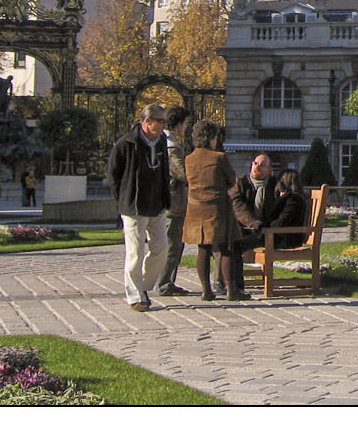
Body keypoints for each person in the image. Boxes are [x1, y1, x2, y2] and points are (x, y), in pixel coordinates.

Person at [105, 104, 173, 312]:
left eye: (164, 121)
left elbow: (164, 170)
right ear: (147, 122)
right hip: (134, 206)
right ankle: (136, 296)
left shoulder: (161, 141)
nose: (164, 125)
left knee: (161, 249)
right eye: (160, 121)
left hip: (157, 204)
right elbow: (112, 174)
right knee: (135, 252)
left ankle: (142, 286)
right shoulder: (126, 143)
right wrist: (123, 198)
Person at [182, 120, 251, 301]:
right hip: (217, 207)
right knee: (224, 247)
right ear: (212, 137)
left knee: (202, 248)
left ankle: (206, 290)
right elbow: (231, 180)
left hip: (196, 207)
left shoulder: (188, 159)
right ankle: (231, 289)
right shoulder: (219, 158)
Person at [154, 106, 193, 297]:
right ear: (178, 125)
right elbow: (182, 174)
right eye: (185, 123)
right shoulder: (171, 146)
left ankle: (167, 281)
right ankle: (164, 283)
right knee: (173, 245)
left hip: (173, 200)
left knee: (175, 244)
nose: (186, 127)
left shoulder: (168, 142)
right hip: (173, 201)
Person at [229, 152, 277, 295]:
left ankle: (237, 287)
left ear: (269, 170)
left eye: (262, 165)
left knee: (236, 246)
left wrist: (262, 225)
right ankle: (229, 284)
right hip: (245, 227)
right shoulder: (240, 182)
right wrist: (251, 222)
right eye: (255, 163)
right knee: (229, 242)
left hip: (266, 230)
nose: (257, 167)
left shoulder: (275, 185)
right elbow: (237, 205)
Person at [265, 170, 310, 250]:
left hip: (287, 239)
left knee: (247, 240)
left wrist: (265, 228)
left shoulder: (293, 200)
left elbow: (282, 221)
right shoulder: (298, 199)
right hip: (287, 236)